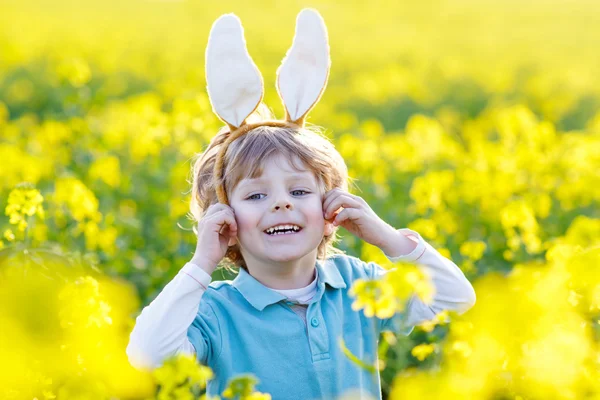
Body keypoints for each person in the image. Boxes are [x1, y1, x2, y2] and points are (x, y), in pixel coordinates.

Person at [126, 9, 476, 400]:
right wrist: (201, 264)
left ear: (330, 211)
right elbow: (147, 357)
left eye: (299, 192)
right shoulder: (216, 312)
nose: (280, 205)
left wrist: (386, 237)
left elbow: (455, 298)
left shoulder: (357, 286)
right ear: (225, 222)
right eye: (256, 195)